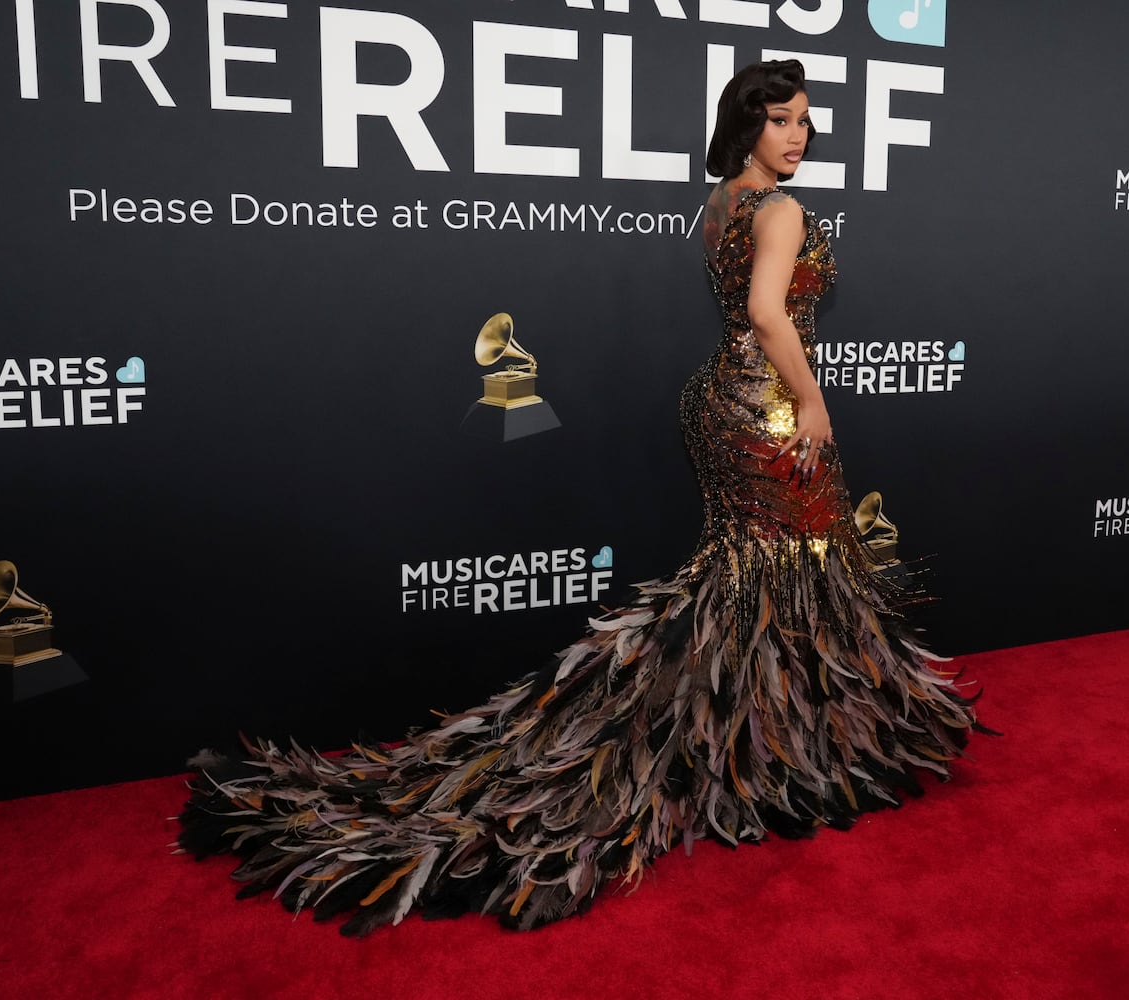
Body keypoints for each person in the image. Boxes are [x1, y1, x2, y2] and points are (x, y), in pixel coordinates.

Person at [176, 60, 987, 936]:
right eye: (781, 120)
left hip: (719, 402)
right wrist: (816, 401)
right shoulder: (782, 209)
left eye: (805, 121)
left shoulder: (722, 203)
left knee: (756, 579)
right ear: (746, 124)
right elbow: (764, 309)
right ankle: (770, 756)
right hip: (770, 406)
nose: (798, 136)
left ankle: (772, 749)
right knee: (790, 573)